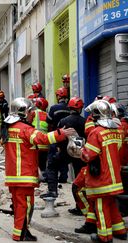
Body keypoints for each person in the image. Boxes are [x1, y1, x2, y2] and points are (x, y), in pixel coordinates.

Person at [4, 97, 75, 242]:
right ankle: (21, 234)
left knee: (18, 205)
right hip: (24, 176)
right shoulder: (25, 129)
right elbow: (42, 139)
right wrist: (61, 133)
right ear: (24, 112)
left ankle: (21, 231)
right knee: (26, 206)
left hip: (12, 176)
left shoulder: (7, 128)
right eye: (31, 112)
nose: (33, 115)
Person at [80, 100, 127, 243]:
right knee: (112, 204)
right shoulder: (117, 131)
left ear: (95, 115)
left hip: (102, 178)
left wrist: (79, 150)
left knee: (101, 207)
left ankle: (104, 237)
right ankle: (120, 231)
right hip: (115, 178)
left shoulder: (96, 132)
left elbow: (88, 155)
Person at [57, 97, 87, 216]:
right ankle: (80, 206)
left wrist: (61, 149)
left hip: (65, 152)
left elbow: (59, 136)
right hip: (81, 154)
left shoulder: (63, 121)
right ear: (80, 108)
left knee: (52, 167)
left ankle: (52, 191)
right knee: (79, 181)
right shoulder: (85, 121)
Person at [41, 87, 71, 198]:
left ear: (58, 96)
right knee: (64, 156)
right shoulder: (69, 108)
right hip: (67, 136)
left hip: (56, 135)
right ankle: (64, 177)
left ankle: (52, 183)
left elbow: (48, 121)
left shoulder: (54, 108)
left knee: (52, 160)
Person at [31, 97, 49, 177]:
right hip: (45, 143)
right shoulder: (47, 115)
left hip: (36, 142)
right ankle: (43, 176)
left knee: (35, 161)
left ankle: (36, 176)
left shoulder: (34, 113)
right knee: (43, 163)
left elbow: (28, 122)